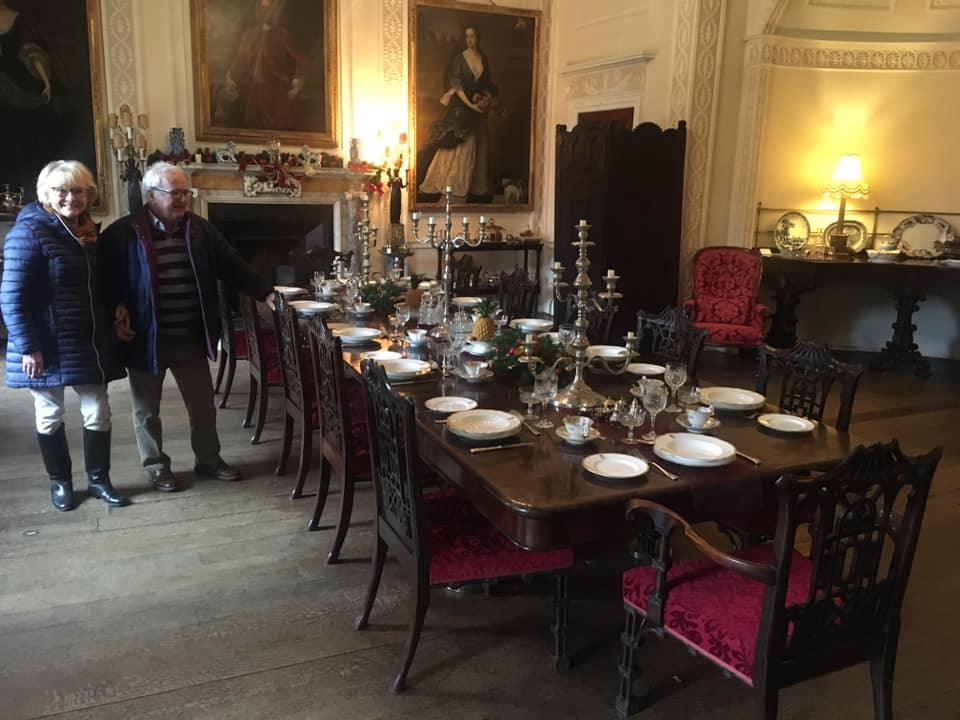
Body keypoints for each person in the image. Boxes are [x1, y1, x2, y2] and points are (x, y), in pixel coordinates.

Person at [101, 162, 276, 493]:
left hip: (191, 337)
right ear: (151, 195)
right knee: (146, 411)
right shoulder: (123, 232)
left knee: (202, 406)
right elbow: (105, 280)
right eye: (175, 192)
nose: (183, 199)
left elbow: (233, 265)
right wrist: (115, 310)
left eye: (186, 192)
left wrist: (265, 291)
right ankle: (156, 467)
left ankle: (208, 460)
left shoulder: (200, 230)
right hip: (146, 338)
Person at [1, 160, 130, 511]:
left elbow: (98, 281)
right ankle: (60, 483)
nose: (71, 197)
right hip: (45, 344)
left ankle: (99, 480)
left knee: (98, 411)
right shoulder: (29, 231)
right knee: (48, 413)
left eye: (78, 190)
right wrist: (29, 347)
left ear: (88, 194)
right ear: (47, 193)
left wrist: (117, 304)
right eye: (62, 190)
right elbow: (11, 296)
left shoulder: (87, 232)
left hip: (88, 340)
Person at [418, 26, 497, 202]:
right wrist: (471, 105)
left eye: (473, 36)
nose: (470, 40)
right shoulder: (459, 59)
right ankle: (452, 183)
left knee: (479, 145)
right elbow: (458, 87)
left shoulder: (482, 58)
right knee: (460, 146)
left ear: (478, 38)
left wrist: (486, 100)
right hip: (461, 107)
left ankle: (475, 185)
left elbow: (486, 83)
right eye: (467, 36)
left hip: (476, 108)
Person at [214, 0, 307, 130]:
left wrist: (297, 84)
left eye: (268, 9)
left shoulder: (282, 34)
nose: (265, 12)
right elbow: (241, 59)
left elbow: (302, 58)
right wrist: (231, 81)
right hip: (255, 93)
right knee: (253, 131)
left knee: (278, 132)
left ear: (274, 10)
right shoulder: (250, 33)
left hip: (277, 94)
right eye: (262, 9)